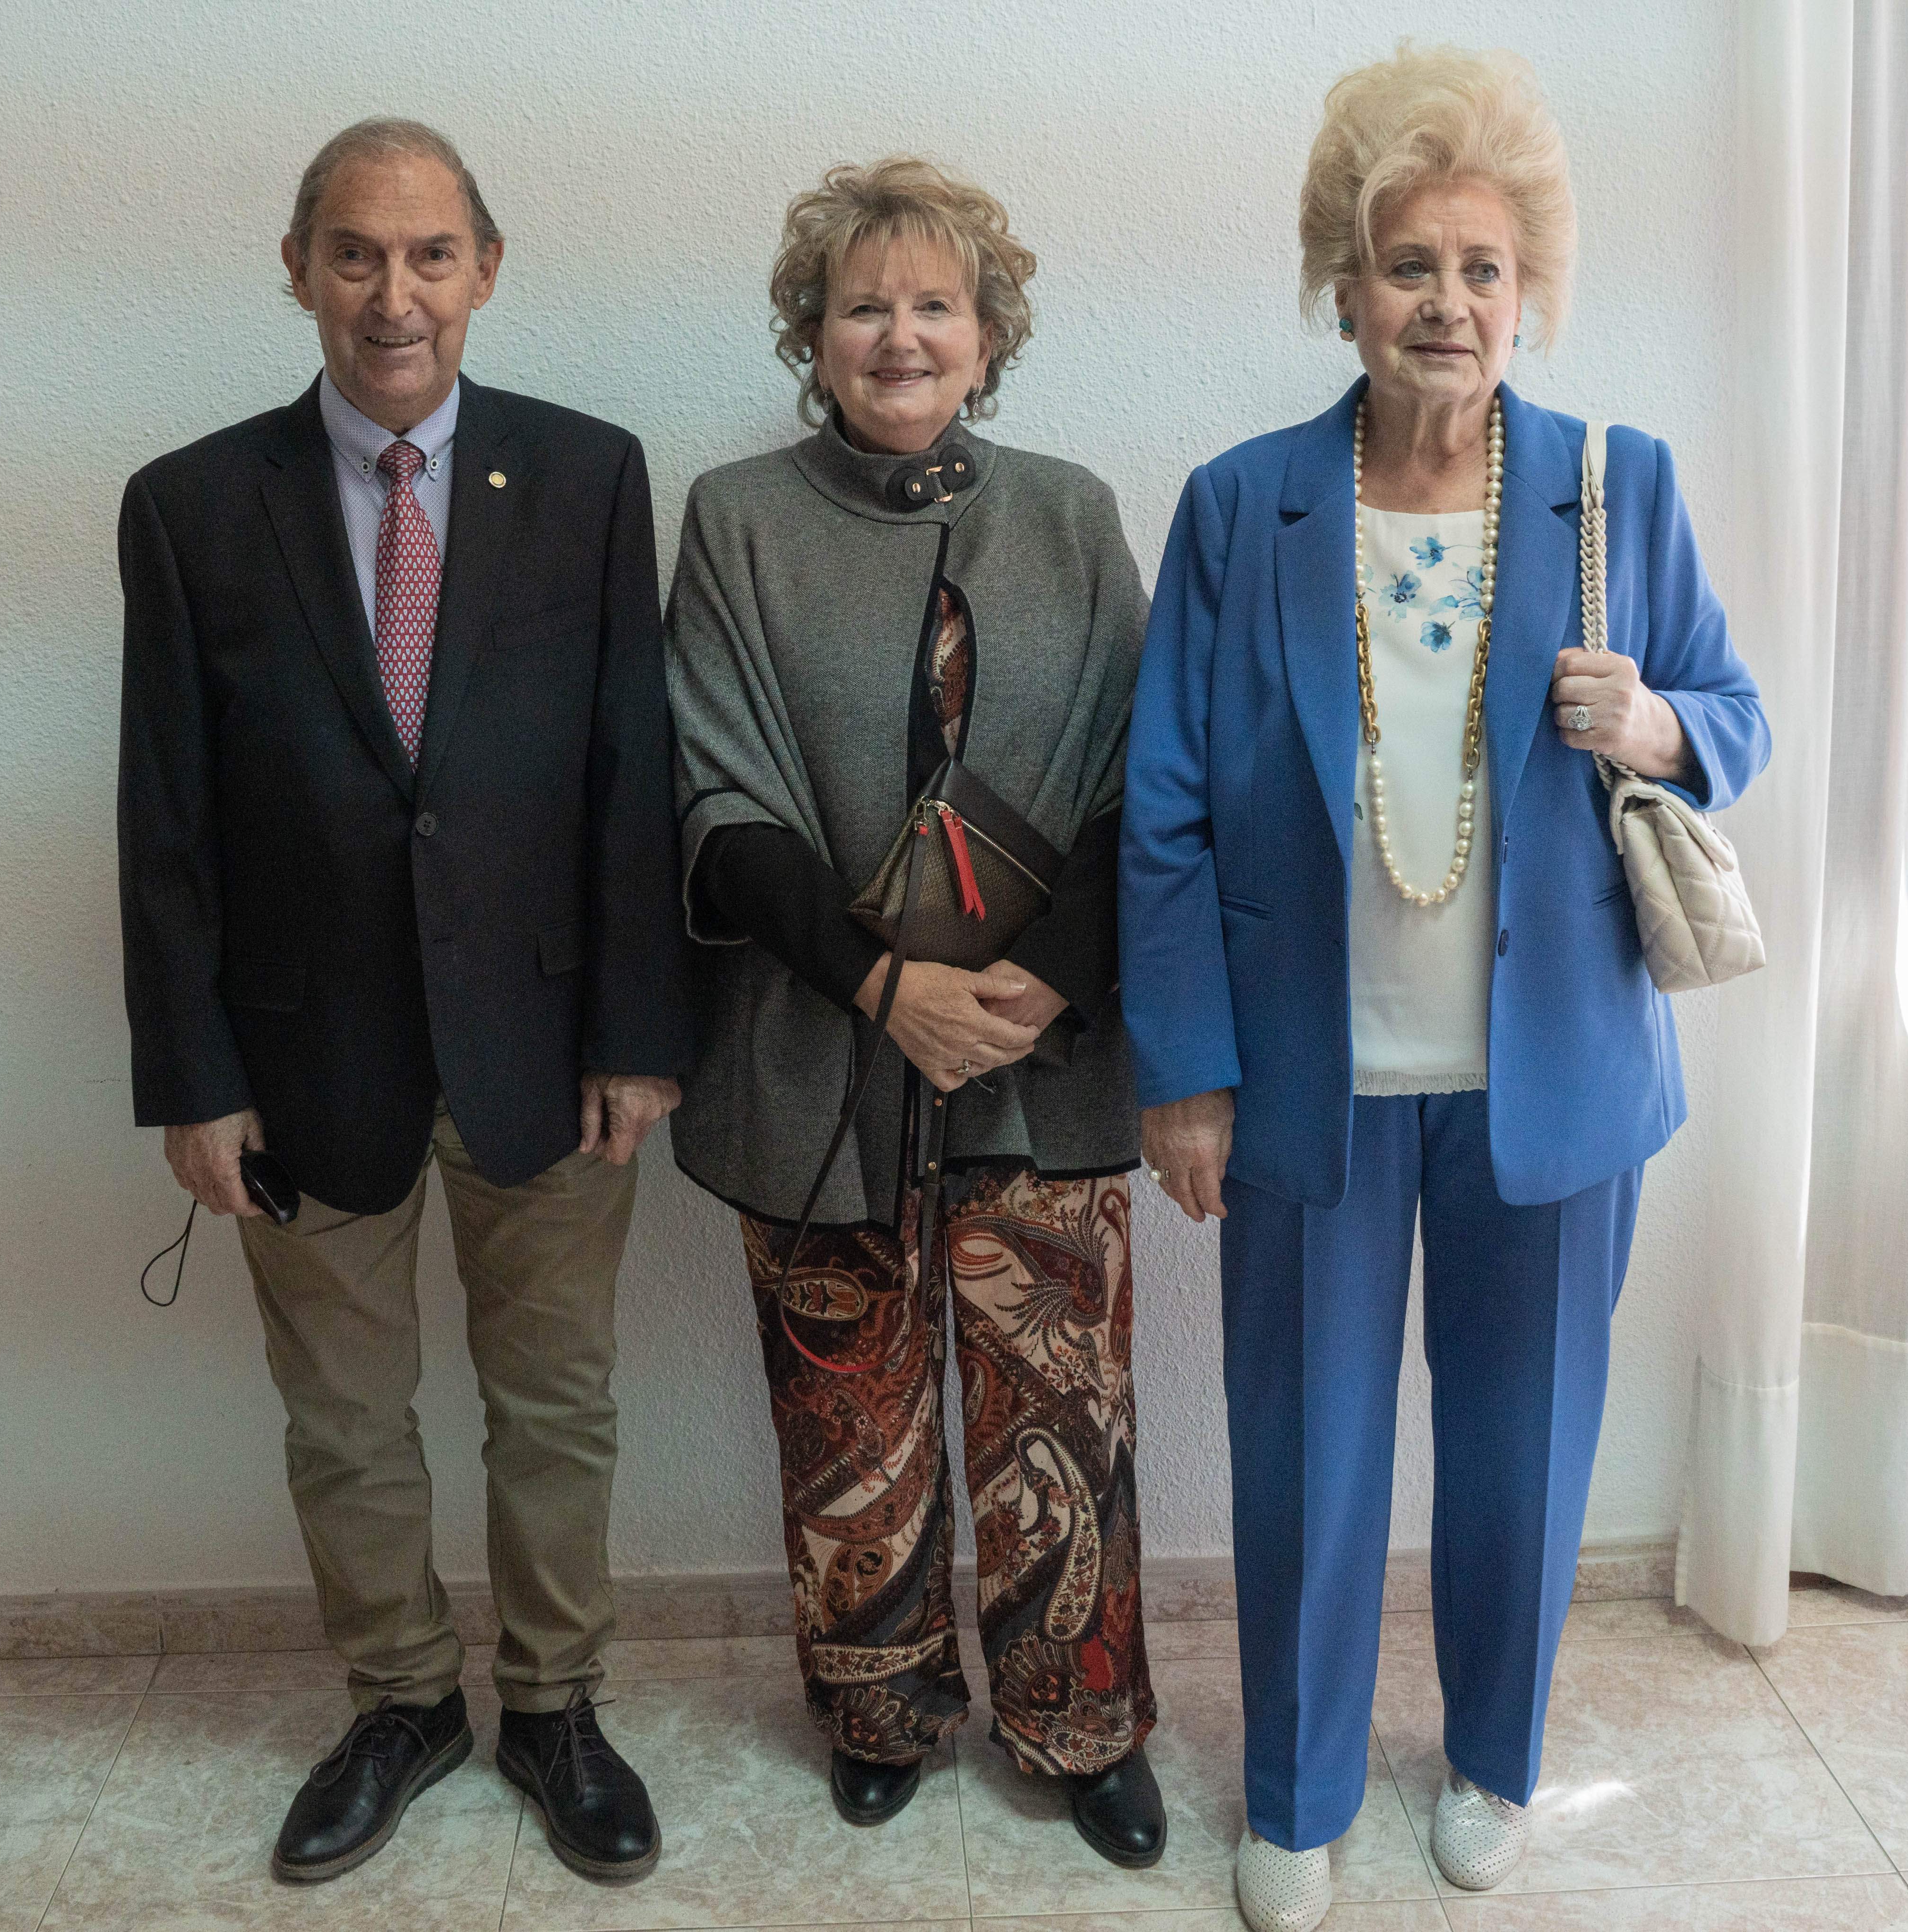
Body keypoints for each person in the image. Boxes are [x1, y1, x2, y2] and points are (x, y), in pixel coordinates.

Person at [1118, 47, 1772, 1932]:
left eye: (1485, 269)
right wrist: (1184, 1068)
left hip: (1550, 1077)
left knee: (1519, 1441)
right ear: (1343, 283)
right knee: (1307, 1454)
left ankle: (1493, 1756)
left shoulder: (1609, 484)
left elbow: (1736, 711)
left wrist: (1655, 716)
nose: (1449, 304)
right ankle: (1304, 1789)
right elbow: (1162, 801)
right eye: (1411, 263)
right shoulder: (1245, 511)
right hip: (1315, 1080)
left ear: (1529, 293)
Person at [115, 117, 694, 1890]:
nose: (394, 294)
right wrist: (190, 1079)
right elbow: (166, 812)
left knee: (557, 1401)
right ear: (297, 270)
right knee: (346, 1419)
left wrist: (639, 1036)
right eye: (354, 253)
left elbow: (628, 774)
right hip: (303, 1062)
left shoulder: (589, 475)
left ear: (486, 271)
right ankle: (398, 1702)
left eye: (430, 253)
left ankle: (553, 1707)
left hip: (546, 1045)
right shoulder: (193, 504)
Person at [665, 157, 1166, 1866]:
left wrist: (1043, 977)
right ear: (811, 334)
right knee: (845, 1414)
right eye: (862, 304)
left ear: (987, 330)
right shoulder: (735, 519)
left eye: (934, 303)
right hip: (822, 1050)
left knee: (1062, 1410)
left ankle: (1078, 1720)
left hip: (1043, 1048)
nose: (899, 335)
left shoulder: (1074, 513)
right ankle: (880, 1711)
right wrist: (886, 986)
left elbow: (1137, 784)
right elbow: (718, 806)